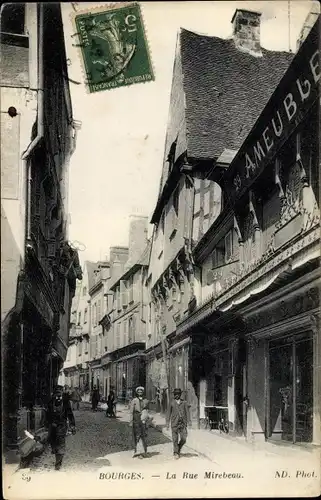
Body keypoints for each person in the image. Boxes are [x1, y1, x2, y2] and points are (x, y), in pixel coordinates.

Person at [47, 385, 76, 470]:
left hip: (62, 425)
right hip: (52, 426)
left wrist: (72, 425)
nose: (58, 396)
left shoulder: (66, 402)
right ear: (54, 394)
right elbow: (47, 414)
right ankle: (57, 455)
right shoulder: (50, 402)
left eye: (60, 394)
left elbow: (70, 414)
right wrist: (49, 422)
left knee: (60, 443)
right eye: (57, 394)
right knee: (53, 443)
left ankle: (58, 463)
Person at [166, 388, 190, 459]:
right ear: (174, 395)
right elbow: (168, 413)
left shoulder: (184, 402)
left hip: (182, 423)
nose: (176, 395)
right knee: (175, 438)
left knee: (184, 438)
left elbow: (187, 412)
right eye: (175, 394)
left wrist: (189, 421)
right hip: (174, 423)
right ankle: (176, 452)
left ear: (180, 394)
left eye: (178, 394)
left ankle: (178, 448)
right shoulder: (171, 403)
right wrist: (167, 423)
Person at [129, 386, 149, 458]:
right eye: (139, 392)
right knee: (137, 435)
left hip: (143, 419)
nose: (140, 393)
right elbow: (131, 412)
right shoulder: (134, 401)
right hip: (136, 418)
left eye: (141, 392)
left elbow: (147, 410)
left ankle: (143, 451)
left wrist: (146, 419)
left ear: (143, 392)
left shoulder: (146, 400)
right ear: (137, 393)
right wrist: (131, 421)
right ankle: (137, 451)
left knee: (143, 435)